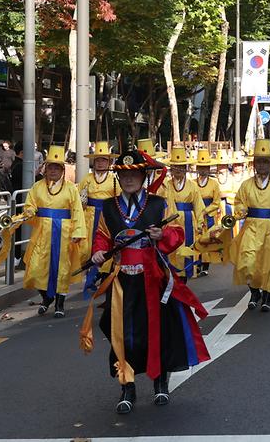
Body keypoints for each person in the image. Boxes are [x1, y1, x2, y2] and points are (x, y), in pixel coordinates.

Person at [84, 147, 210, 414]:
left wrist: (160, 236)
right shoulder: (109, 206)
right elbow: (103, 237)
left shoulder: (159, 203)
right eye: (123, 175)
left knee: (158, 333)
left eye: (134, 174)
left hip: (153, 279)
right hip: (121, 283)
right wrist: (97, 251)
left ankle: (160, 384)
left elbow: (177, 235)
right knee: (123, 336)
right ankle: (126, 387)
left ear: (143, 175)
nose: (128, 179)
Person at [19, 146, 86, 317]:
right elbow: (30, 204)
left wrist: (78, 231)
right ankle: (47, 297)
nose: (54, 170)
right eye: (51, 167)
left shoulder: (70, 188)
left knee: (61, 268)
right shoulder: (37, 187)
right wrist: (29, 211)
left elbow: (77, 210)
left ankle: (60, 303)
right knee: (35, 268)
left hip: (63, 233)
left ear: (63, 170)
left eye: (57, 167)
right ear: (45, 169)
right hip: (42, 233)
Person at [230, 139, 270, 312]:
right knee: (247, 262)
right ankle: (254, 292)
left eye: (265, 161)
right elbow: (238, 202)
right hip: (251, 226)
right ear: (254, 164)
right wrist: (240, 210)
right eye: (259, 161)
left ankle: (267, 297)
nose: (262, 165)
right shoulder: (246, 185)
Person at [160, 146, 205, 280]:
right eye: (175, 166)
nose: (178, 170)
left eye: (181, 166)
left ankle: (185, 275)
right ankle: (171, 275)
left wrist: (200, 222)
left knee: (186, 247)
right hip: (171, 220)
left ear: (186, 168)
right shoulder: (166, 185)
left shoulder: (192, 186)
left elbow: (198, 205)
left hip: (188, 220)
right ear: (171, 168)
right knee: (172, 249)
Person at [77, 141, 117, 282]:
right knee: (87, 246)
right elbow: (79, 200)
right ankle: (91, 274)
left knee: (106, 244)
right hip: (89, 216)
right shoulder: (87, 179)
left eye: (104, 160)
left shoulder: (114, 180)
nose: (100, 163)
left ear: (109, 162)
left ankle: (104, 274)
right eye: (98, 160)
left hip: (106, 216)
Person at [193, 149, 223, 276]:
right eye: (201, 167)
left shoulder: (214, 184)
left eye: (206, 167)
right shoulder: (193, 183)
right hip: (196, 213)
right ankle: (197, 263)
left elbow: (216, 201)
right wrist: (198, 211)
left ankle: (205, 265)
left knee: (207, 239)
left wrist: (205, 210)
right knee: (197, 237)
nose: (203, 170)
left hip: (208, 213)